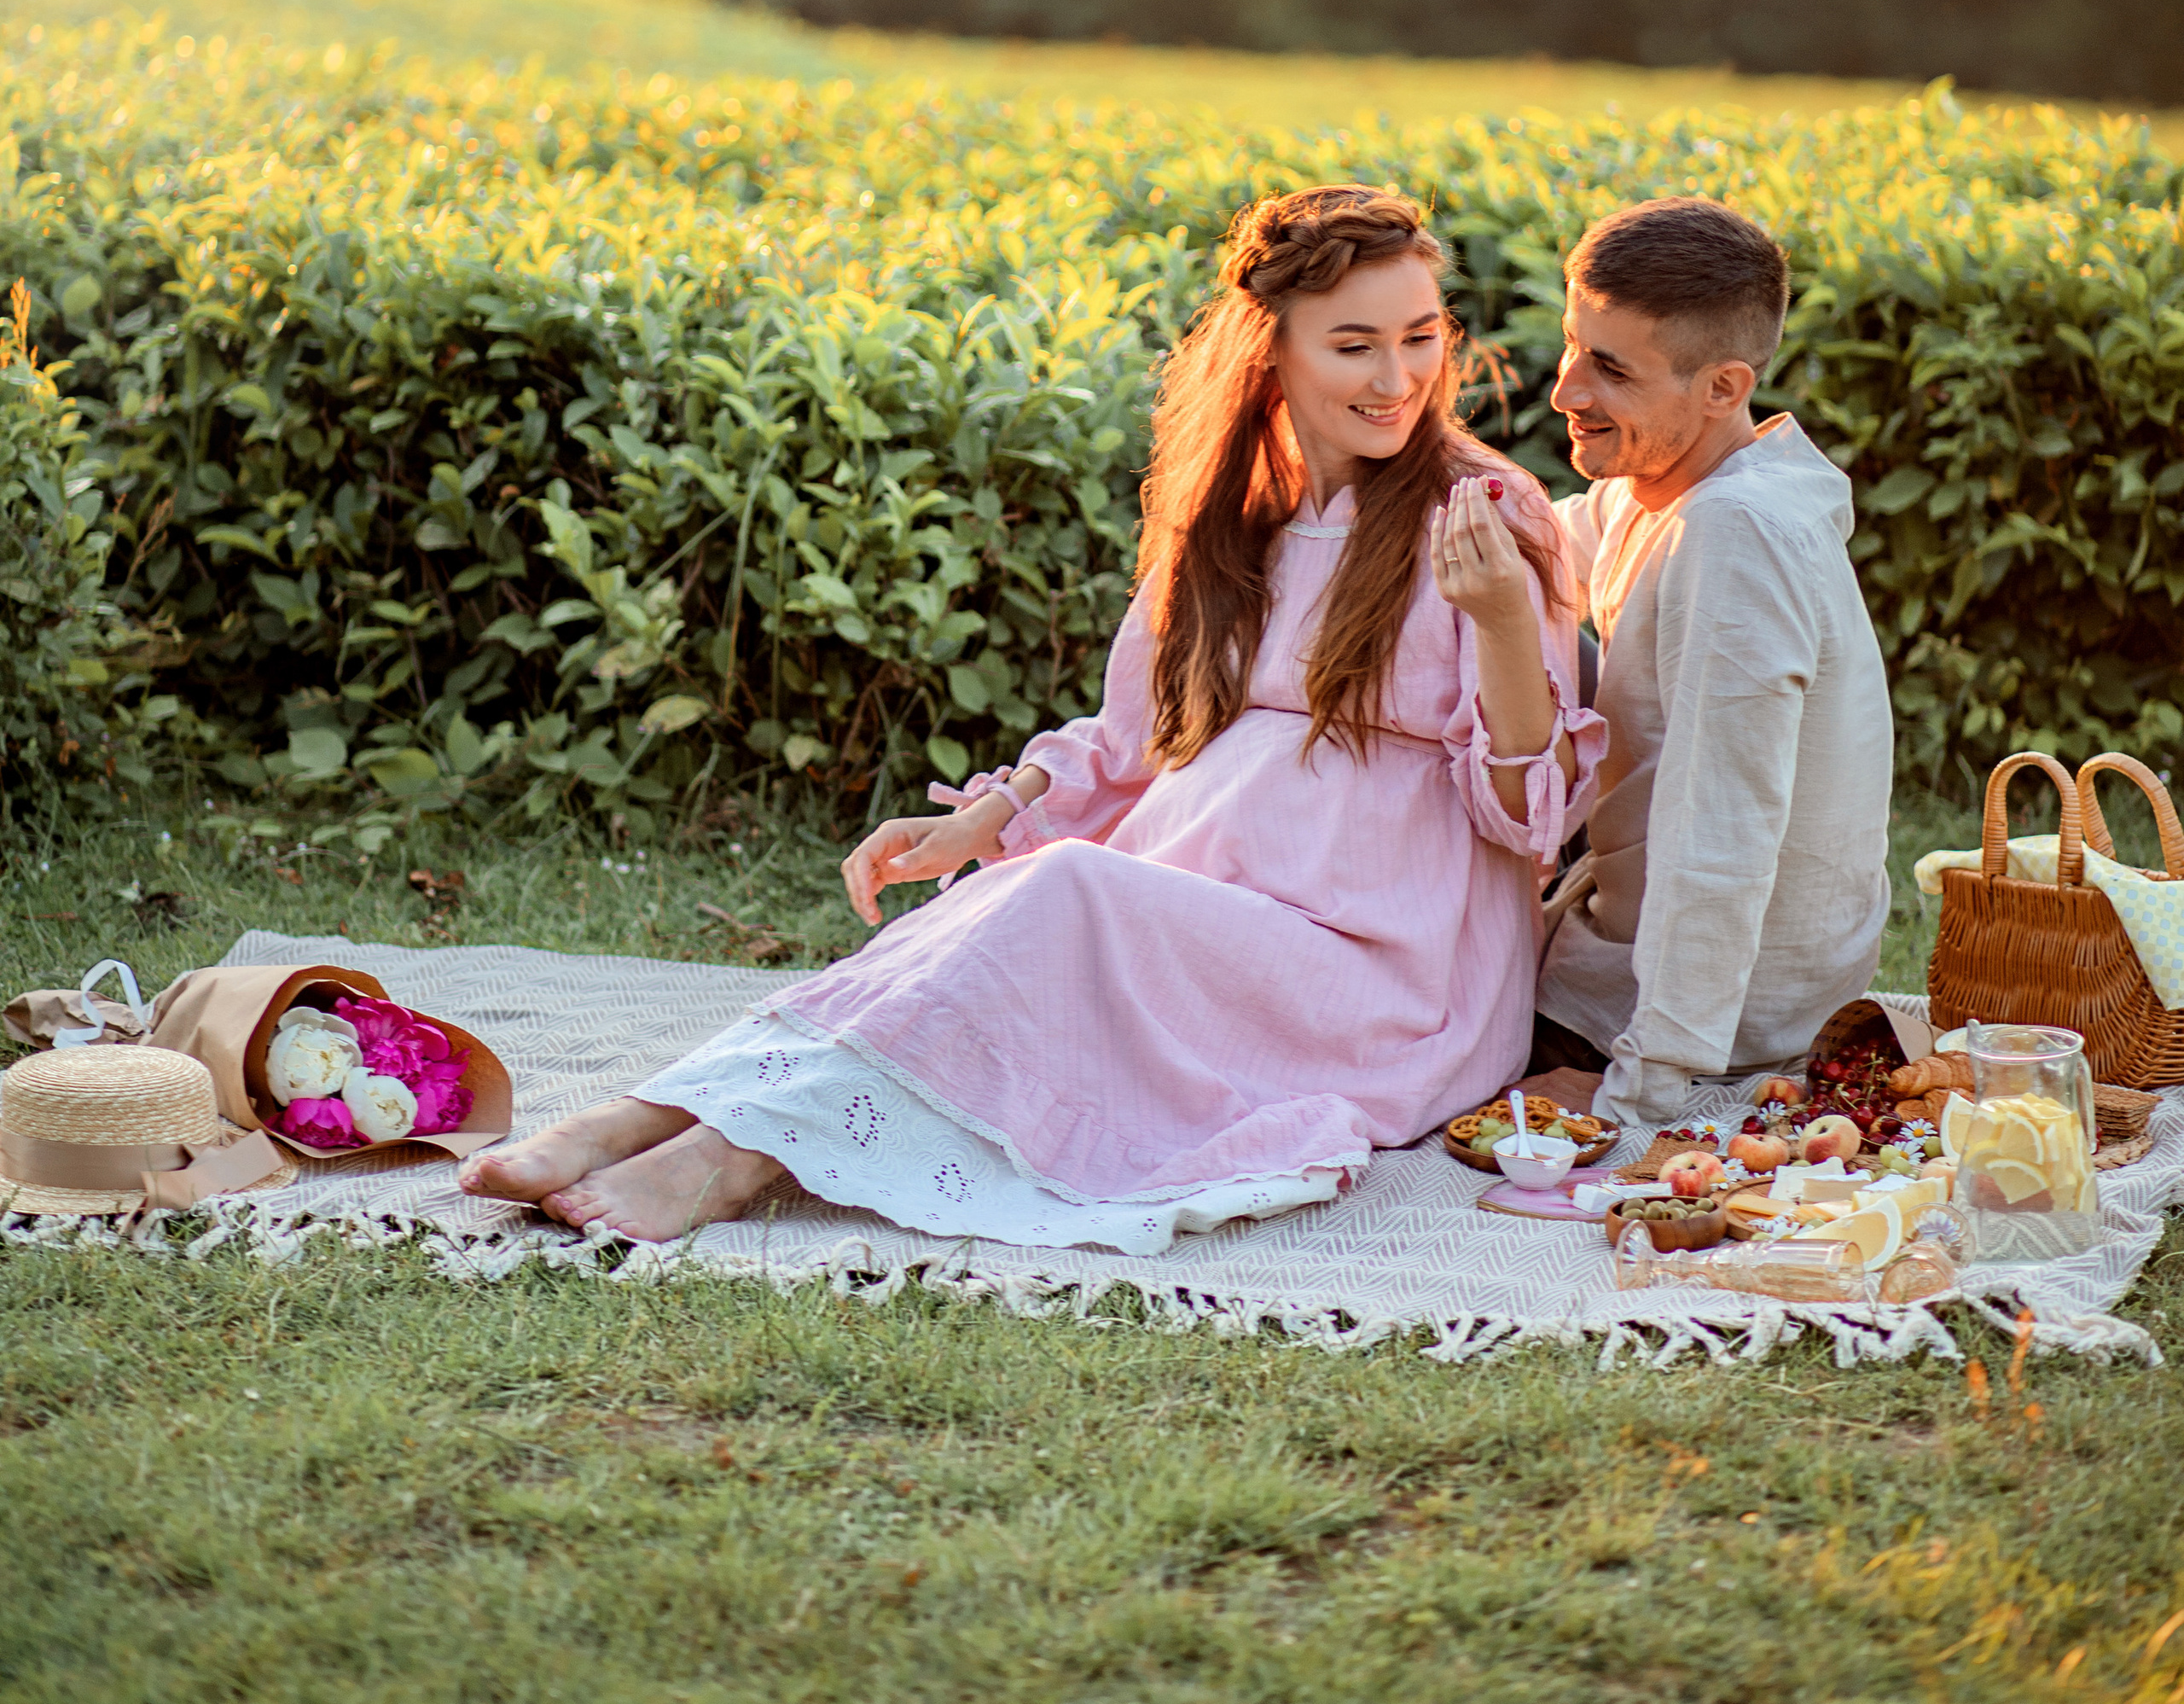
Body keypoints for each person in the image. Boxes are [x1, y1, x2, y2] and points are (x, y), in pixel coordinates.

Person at [463, 183, 1603, 1244]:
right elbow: (1135, 736)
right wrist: (987, 818)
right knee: (1010, 897)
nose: (1398, 377)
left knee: (1064, 893)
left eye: (1421, 337)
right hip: (1207, 906)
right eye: (1355, 345)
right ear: (1277, 358)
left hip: (1382, 977)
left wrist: (1503, 622)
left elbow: (1523, 820)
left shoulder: (1486, 515)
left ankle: (731, 1160)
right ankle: (651, 1114)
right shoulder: (1233, 520)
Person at [1526, 196, 1894, 1124]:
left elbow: (1721, 837)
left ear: (1723, 388)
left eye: (1609, 369)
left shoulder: (1736, 534)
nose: (1566, 390)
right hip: (1645, 960)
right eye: (1573, 345)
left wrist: (1645, 1089)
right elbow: (1529, 550)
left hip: (1708, 1021)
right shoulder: (1668, 487)